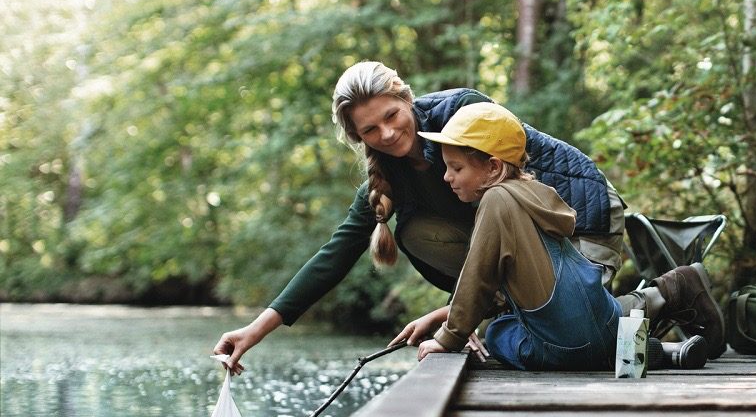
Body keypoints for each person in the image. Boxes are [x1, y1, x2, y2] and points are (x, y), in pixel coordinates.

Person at [214, 61, 626, 373]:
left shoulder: (462, 112)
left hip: (584, 220)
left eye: (391, 116)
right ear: (359, 138)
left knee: (571, 334)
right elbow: (335, 254)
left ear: (406, 99)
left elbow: (509, 213)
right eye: (370, 130)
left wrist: (454, 322)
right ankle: (509, 314)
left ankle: (655, 300)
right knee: (415, 232)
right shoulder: (387, 181)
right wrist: (255, 330)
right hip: (532, 251)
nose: (387, 134)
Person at [390, 101, 723, 370]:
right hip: (599, 324)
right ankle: (661, 342)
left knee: (498, 333)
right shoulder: (531, 194)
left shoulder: (497, 199)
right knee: (531, 326)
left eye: (456, 167)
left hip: (566, 345)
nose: (446, 177)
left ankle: (651, 344)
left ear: (493, 167)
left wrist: (449, 338)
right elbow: (507, 285)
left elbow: (480, 275)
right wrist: (444, 314)